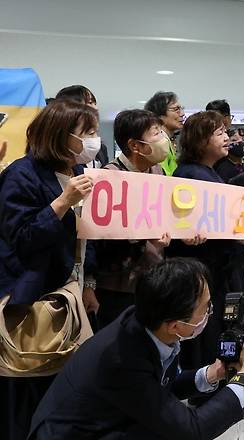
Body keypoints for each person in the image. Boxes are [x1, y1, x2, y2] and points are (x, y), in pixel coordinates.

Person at [29, 258, 244, 440]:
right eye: (206, 308)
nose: (209, 313)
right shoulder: (122, 360)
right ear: (176, 325)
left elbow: (158, 388)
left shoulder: (146, 322)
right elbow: (191, 430)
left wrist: (211, 374)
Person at [0, 100, 100, 440]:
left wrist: (91, 283)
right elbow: (22, 238)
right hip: (33, 301)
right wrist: (61, 203)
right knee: (29, 387)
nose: (93, 140)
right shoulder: (21, 174)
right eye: (87, 133)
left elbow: (90, 235)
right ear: (62, 136)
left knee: (66, 389)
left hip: (73, 292)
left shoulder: (80, 174)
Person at [168, 111, 244, 384]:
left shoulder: (207, 172)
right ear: (200, 141)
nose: (228, 138)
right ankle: (206, 384)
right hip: (207, 269)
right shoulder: (193, 175)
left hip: (214, 267)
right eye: (219, 134)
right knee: (206, 329)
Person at [92, 109, 173, 329]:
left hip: (153, 278)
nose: (163, 139)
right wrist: (144, 240)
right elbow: (102, 235)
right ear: (135, 145)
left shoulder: (157, 171)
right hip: (118, 286)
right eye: (155, 133)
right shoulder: (110, 177)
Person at [54, 85, 109, 167]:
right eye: (90, 103)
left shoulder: (101, 149)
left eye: (95, 103)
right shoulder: (59, 159)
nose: (96, 108)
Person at [144, 91, 185, 175]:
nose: (182, 114)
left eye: (181, 109)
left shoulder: (168, 140)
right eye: (176, 109)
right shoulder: (159, 142)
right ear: (160, 115)